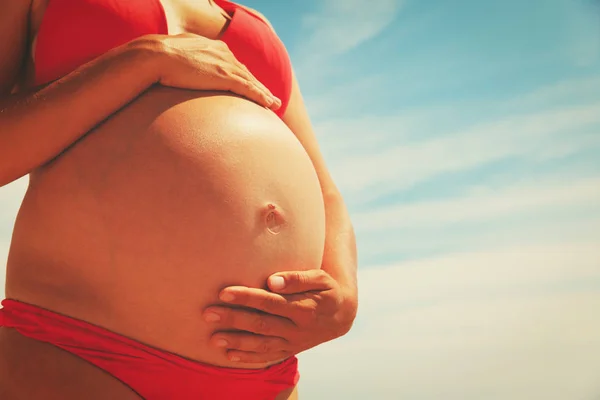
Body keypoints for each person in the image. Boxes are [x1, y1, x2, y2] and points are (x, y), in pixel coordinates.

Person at [0, 0, 358, 399]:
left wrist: (344, 297)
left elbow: (324, 188)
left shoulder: (259, 26)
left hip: (265, 367)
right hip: (82, 351)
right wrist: (143, 59)